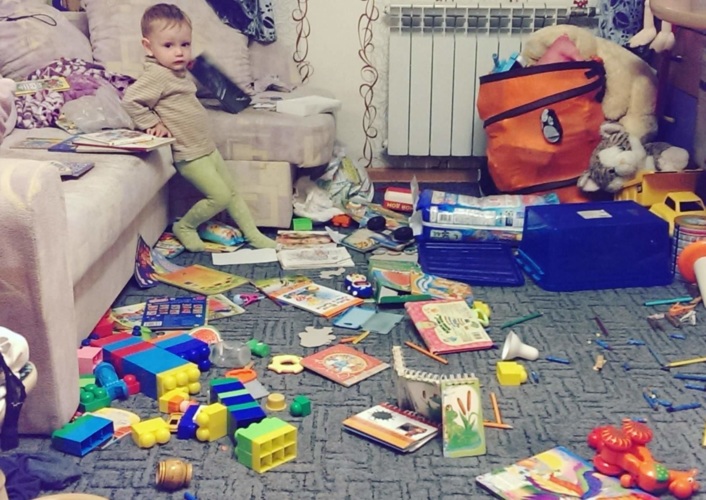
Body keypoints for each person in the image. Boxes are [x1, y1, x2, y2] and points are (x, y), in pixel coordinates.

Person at [122, 3, 276, 251]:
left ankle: (253, 234)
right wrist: (152, 123)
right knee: (220, 196)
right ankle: (185, 226)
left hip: (206, 146)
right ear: (148, 47)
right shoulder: (156, 76)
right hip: (189, 153)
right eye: (168, 46)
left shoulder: (177, 71)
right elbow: (130, 100)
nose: (179, 52)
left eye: (185, 44)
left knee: (232, 191)